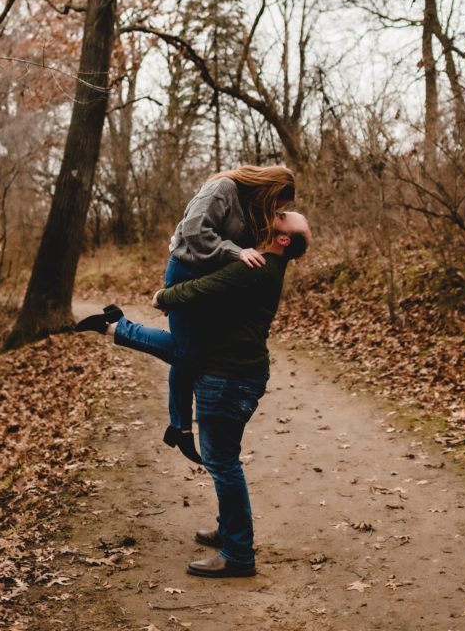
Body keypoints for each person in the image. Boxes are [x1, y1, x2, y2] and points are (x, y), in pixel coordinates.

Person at [77, 210, 312, 578]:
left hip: (228, 380)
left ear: (284, 240)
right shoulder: (265, 266)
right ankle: (229, 530)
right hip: (237, 374)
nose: (274, 214)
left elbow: (200, 289)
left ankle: (238, 554)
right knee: (224, 456)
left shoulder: (257, 266)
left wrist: (163, 295)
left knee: (222, 463)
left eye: (283, 216)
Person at [80, 165, 295, 465]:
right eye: (276, 204)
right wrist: (233, 253)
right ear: (268, 189)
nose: (274, 211)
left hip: (203, 282)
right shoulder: (223, 189)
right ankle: (117, 328)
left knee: (191, 353)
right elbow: (194, 231)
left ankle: (178, 426)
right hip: (186, 273)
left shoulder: (250, 207)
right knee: (186, 352)